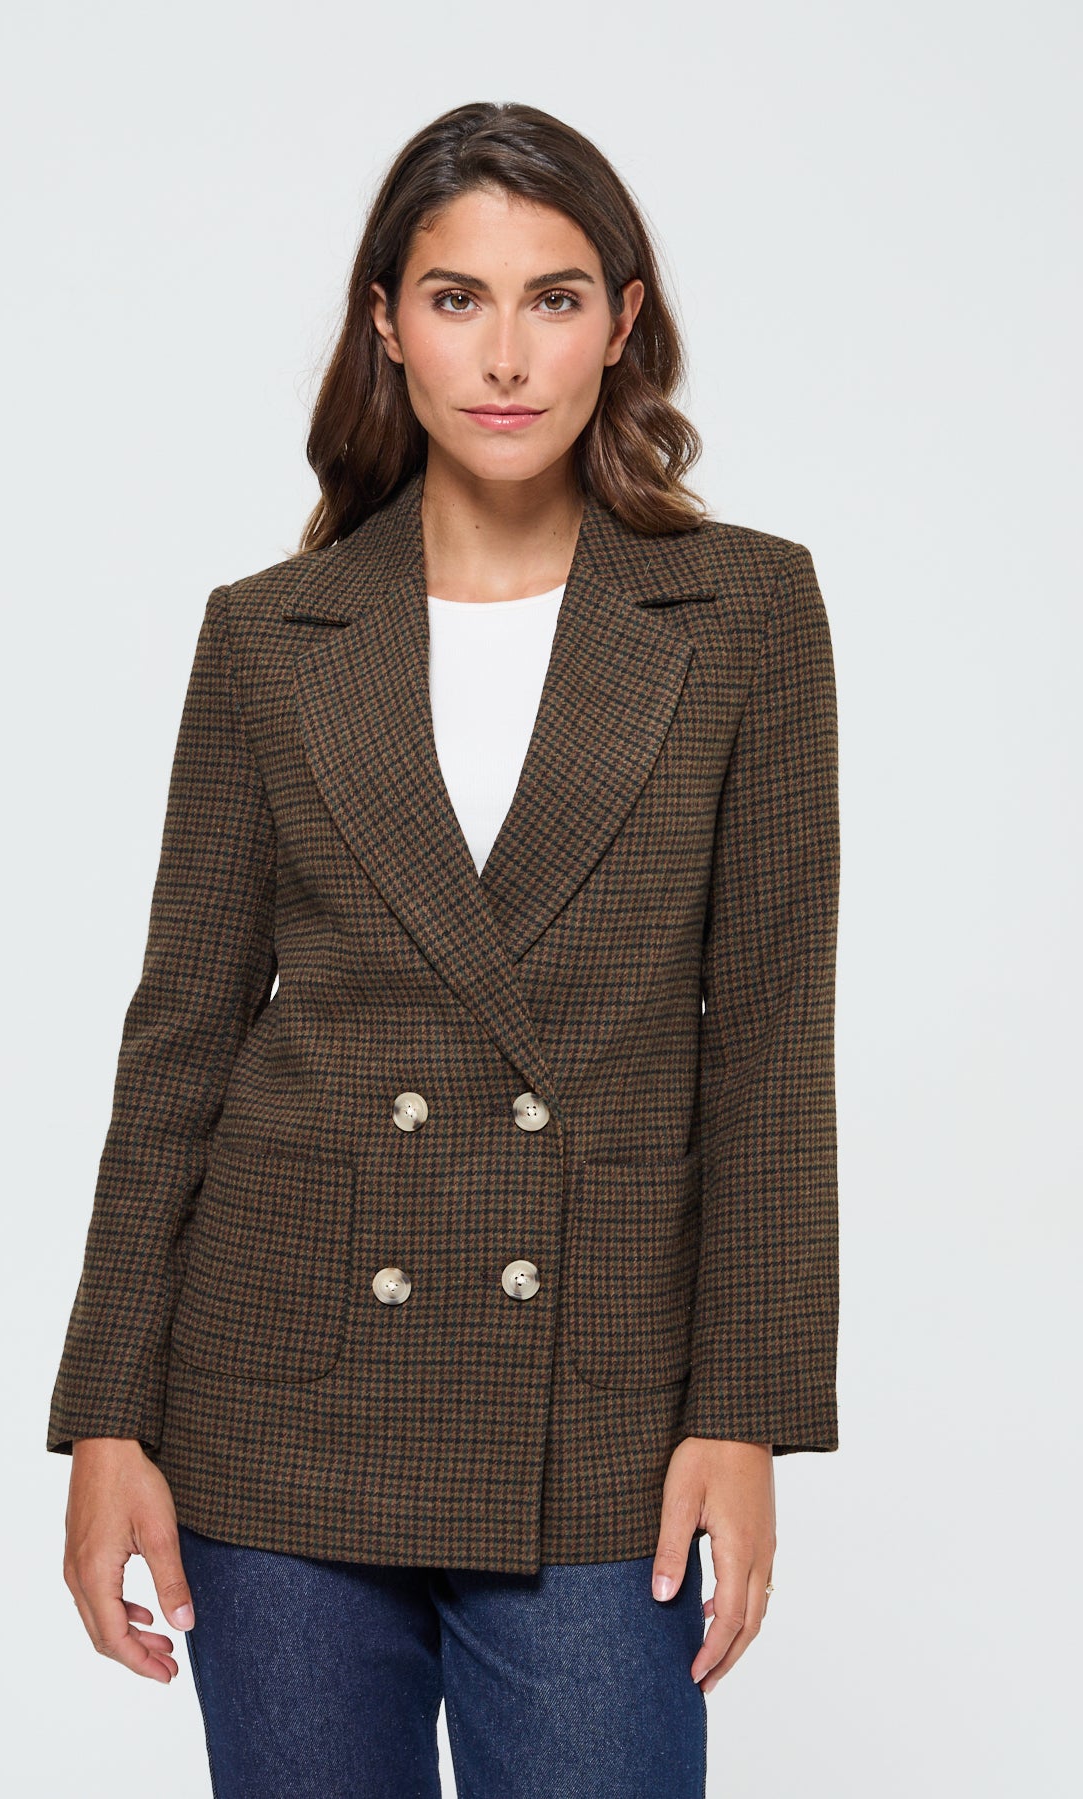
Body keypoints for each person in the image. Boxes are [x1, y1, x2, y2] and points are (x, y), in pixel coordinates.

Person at [48, 100, 840, 1798]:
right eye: (456, 297)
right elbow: (181, 1037)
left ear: (622, 324)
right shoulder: (271, 633)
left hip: (598, 1402)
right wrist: (107, 1410)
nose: (506, 353)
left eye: (555, 297)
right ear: (387, 323)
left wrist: (746, 1409)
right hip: (278, 1394)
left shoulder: (746, 613)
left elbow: (773, 1041)